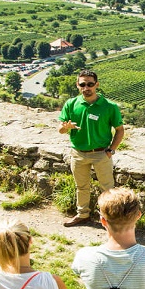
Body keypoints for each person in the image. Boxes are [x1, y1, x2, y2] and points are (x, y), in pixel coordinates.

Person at [57, 69, 124, 227]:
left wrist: (111, 150)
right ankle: (83, 215)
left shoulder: (109, 106)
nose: (86, 88)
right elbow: (60, 129)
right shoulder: (71, 104)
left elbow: (120, 130)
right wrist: (65, 127)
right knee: (81, 186)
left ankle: (109, 218)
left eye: (90, 84)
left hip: (101, 153)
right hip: (78, 153)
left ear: (97, 85)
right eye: (82, 84)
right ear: (78, 85)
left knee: (107, 189)